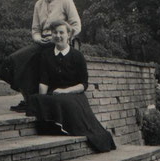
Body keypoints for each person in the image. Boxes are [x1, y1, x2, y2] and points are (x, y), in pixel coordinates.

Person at [26, 20, 116, 153]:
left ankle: (66, 128)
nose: (58, 36)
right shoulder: (46, 55)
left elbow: (83, 84)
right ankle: (54, 127)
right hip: (55, 94)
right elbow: (43, 81)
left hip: (75, 94)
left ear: (69, 35)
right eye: (55, 33)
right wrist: (41, 98)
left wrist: (65, 91)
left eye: (61, 32)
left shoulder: (77, 56)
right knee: (35, 98)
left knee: (63, 100)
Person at [2, 0, 81, 112]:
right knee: (15, 61)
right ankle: (29, 98)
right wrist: (38, 39)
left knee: (40, 61)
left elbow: (76, 26)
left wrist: (62, 38)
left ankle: (34, 101)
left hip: (59, 42)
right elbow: (35, 29)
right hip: (41, 42)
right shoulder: (38, 4)